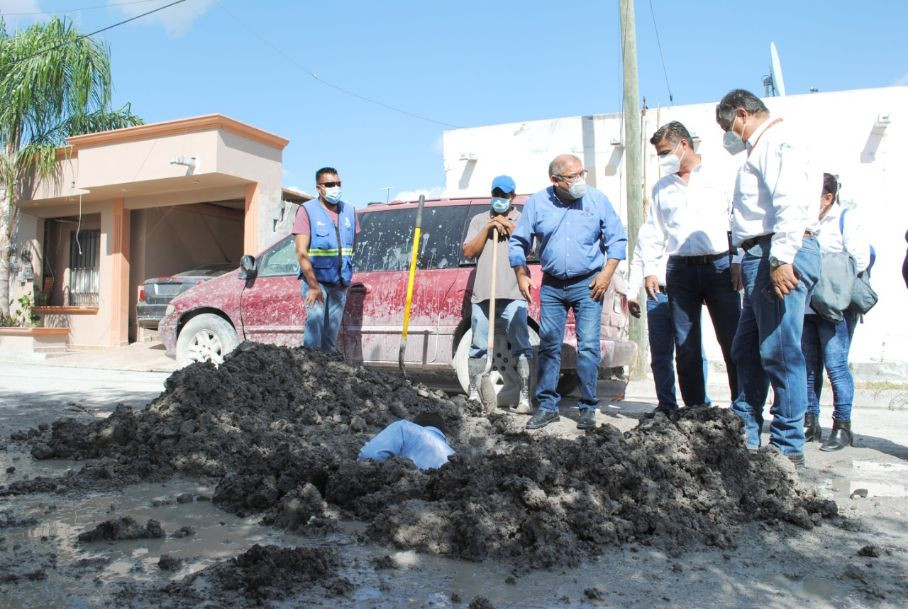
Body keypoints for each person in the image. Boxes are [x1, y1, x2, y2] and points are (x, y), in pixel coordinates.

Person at [715, 89, 821, 467]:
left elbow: (789, 202)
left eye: (728, 126)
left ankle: (787, 446)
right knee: (746, 348)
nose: (729, 135)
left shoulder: (776, 142)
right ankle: (744, 430)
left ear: (743, 114)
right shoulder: (760, 148)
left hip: (776, 251)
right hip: (761, 254)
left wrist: (781, 258)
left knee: (780, 351)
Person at [509, 154, 627, 430]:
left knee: (588, 346)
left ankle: (588, 408)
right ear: (555, 180)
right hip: (552, 285)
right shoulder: (538, 203)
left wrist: (606, 274)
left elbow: (617, 239)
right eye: (574, 177)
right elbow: (518, 242)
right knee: (549, 346)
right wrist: (521, 273)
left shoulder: (597, 200)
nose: (580, 180)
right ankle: (547, 407)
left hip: (589, 285)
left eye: (582, 173)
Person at [640, 121, 742, 410]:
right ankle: (696, 411)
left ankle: (743, 408)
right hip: (680, 270)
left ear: (683, 145)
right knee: (686, 346)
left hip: (720, 267)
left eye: (665, 152)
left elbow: (738, 219)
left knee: (732, 341)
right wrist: (650, 269)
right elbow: (654, 231)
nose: (662, 159)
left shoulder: (719, 175)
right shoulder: (662, 188)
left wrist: (737, 259)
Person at [803, 174, 871, 451]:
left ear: (828, 197)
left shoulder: (845, 219)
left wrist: (823, 268)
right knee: (809, 366)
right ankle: (810, 422)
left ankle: (842, 426)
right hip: (807, 305)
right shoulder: (806, 220)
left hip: (835, 307)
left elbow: (860, 259)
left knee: (836, 365)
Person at [462, 175, 533, 412]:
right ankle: (475, 394)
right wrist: (489, 227)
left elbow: (529, 248)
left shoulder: (522, 220)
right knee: (478, 345)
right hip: (484, 294)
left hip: (514, 293)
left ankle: (525, 398)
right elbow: (469, 252)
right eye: (496, 194)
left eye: (504, 195)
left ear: (513, 196)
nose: (499, 198)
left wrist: (507, 225)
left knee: (521, 344)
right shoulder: (479, 219)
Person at [293, 167, 360, 353]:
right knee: (314, 332)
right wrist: (314, 286)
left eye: (338, 184)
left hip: (339, 283)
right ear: (319, 188)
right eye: (330, 184)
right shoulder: (307, 211)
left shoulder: (349, 211)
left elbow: (352, 247)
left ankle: (327, 368)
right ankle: (310, 367)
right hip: (316, 283)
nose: (335, 188)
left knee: (330, 338)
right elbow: (301, 251)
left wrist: (345, 276)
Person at [357, 412, 455, 470]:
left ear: (416, 425)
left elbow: (369, 457)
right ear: (444, 437)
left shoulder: (405, 428)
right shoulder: (454, 458)